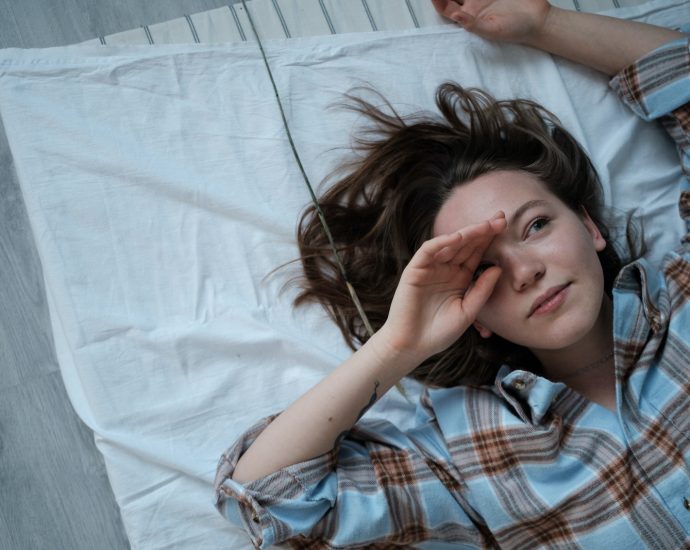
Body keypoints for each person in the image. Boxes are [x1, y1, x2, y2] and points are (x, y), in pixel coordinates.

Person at [215, 1, 690, 547]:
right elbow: (269, 500)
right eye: (482, 267)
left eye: (535, 225)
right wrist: (400, 344)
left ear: (589, 225)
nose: (527, 271)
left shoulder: (681, 293)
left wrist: (542, 22)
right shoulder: (466, 453)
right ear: (471, 315)